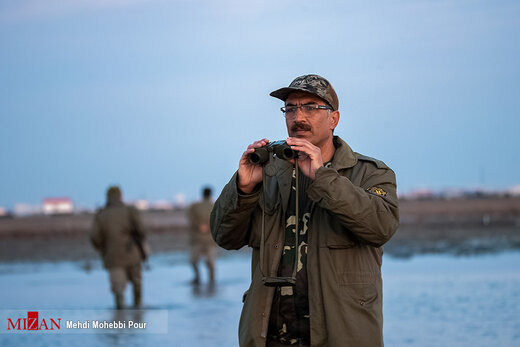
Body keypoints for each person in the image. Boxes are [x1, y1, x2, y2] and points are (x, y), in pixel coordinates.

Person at [210, 74, 399, 346]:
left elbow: (381, 227)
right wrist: (244, 188)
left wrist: (322, 177)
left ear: (333, 118)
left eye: (311, 107)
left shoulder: (369, 173)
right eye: (290, 108)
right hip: (270, 336)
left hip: (342, 334)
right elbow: (224, 236)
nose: (298, 116)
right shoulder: (268, 172)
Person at [90, 186, 147, 309]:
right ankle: (138, 312)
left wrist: (103, 249)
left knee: (118, 289)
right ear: (121, 196)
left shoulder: (101, 214)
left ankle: (120, 320)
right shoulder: (129, 211)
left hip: (112, 256)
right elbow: (142, 231)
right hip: (132, 253)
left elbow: (94, 237)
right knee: (137, 282)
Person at [188, 186, 217, 285]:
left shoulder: (194, 206)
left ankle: (198, 278)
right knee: (210, 262)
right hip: (210, 239)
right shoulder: (215, 206)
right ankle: (211, 280)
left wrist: (199, 226)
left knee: (194, 261)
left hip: (198, 239)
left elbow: (190, 218)